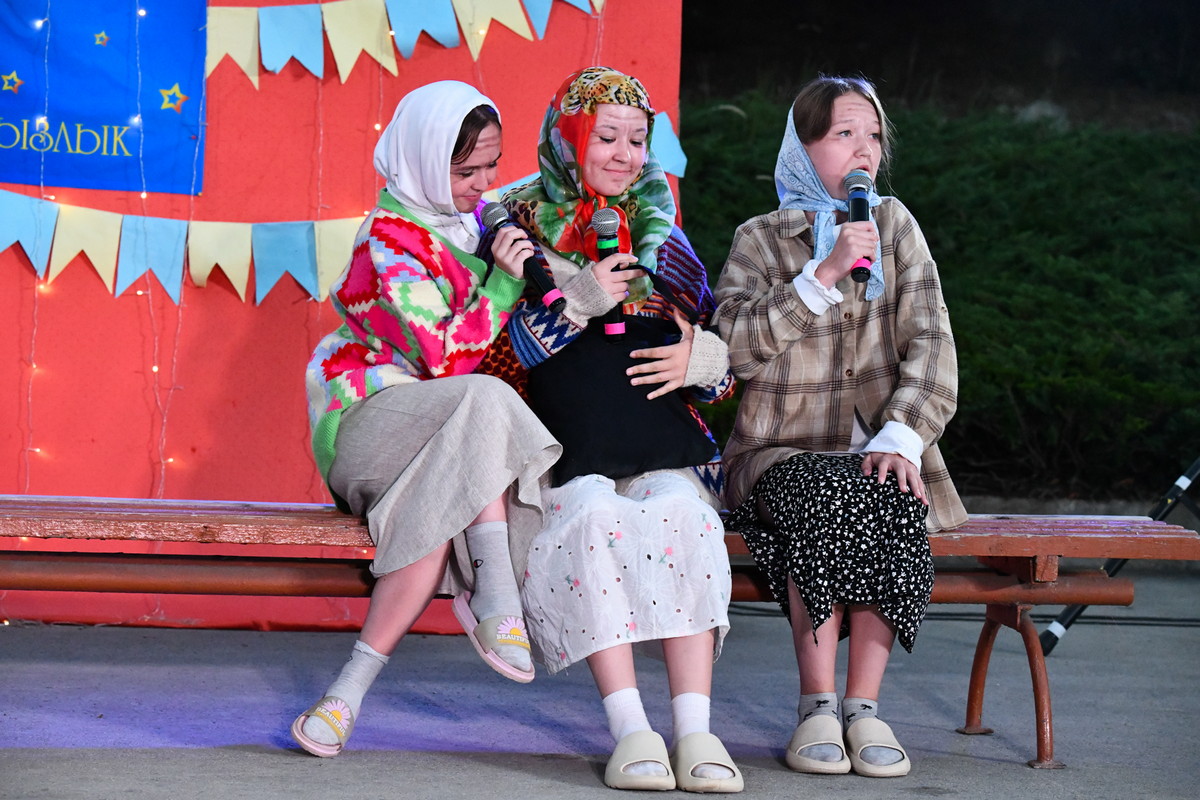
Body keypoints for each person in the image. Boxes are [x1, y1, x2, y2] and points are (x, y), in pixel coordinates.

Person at [486, 66, 743, 793]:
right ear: (569, 138)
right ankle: (631, 731)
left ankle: (695, 731)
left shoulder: (665, 235)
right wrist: (578, 297)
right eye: (606, 137)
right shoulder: (510, 228)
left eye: (637, 140)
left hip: (660, 444)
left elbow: (719, 376)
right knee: (593, 517)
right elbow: (487, 359)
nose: (625, 155)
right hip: (557, 452)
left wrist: (701, 361)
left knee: (686, 516)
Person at [291, 81, 560, 757]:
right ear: (421, 161)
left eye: (491, 167)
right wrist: (503, 282)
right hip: (365, 422)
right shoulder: (386, 239)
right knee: (486, 401)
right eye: (466, 171)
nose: (483, 184)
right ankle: (495, 595)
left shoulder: (476, 228)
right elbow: (444, 360)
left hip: (445, 434)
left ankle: (342, 698)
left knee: (436, 518)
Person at [714, 75, 968, 779]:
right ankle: (817, 705)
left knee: (889, 490)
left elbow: (934, 345)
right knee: (831, 492)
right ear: (803, 147)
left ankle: (864, 708)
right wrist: (820, 277)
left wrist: (902, 437)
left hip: (880, 452)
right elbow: (732, 352)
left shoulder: (896, 226)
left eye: (874, 135)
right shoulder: (760, 239)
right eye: (844, 134)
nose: (865, 151)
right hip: (777, 453)